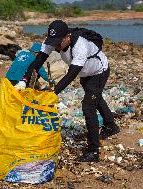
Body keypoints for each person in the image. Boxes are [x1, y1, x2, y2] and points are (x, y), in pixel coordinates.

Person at [15, 20, 120, 162]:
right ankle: (111, 126)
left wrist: (53, 93)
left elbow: (71, 74)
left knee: (88, 106)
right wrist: (23, 80)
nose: (56, 45)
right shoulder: (50, 41)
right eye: (53, 42)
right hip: (85, 73)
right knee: (95, 97)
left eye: (59, 42)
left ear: (68, 36)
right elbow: (38, 61)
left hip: (98, 71)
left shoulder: (80, 46)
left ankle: (93, 150)